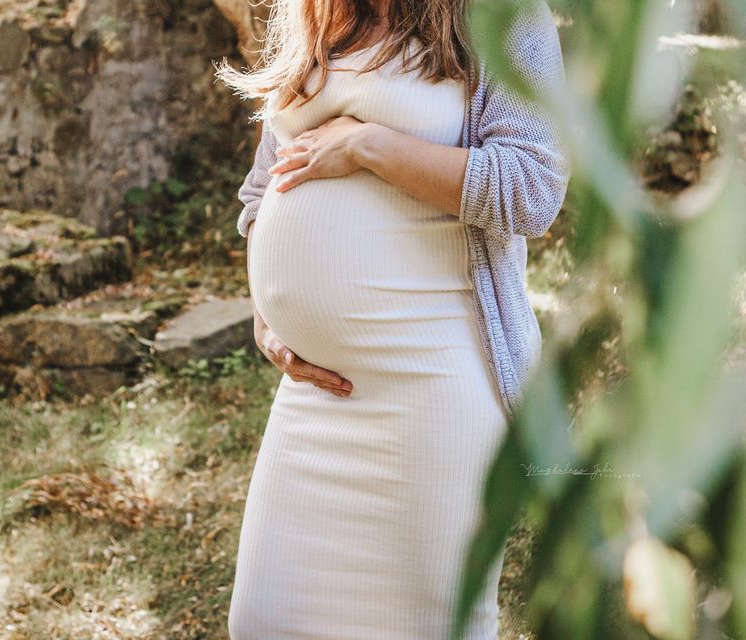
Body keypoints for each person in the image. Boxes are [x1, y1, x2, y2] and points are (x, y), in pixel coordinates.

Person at [214, 0, 570, 636]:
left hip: (432, 383)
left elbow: (531, 190)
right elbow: (262, 188)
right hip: (315, 401)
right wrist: (267, 319)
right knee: (266, 620)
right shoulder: (318, 17)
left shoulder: (504, 18)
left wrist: (368, 144)